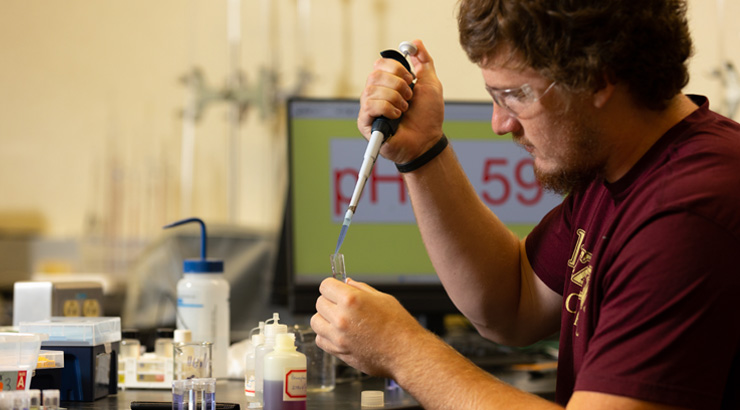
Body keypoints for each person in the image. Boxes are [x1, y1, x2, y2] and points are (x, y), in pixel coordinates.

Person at [310, 0, 740, 409]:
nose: (500, 123)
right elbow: (514, 303)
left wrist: (402, 350)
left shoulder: (690, 212)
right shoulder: (618, 170)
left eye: (515, 95)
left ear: (599, 77)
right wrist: (420, 150)